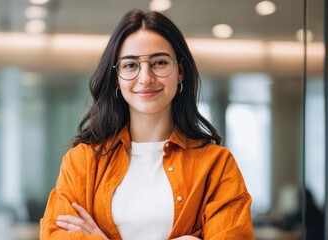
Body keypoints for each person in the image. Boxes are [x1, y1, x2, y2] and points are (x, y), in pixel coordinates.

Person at [40, 9, 254, 240]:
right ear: (116, 78)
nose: (145, 78)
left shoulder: (217, 165)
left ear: (180, 72)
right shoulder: (82, 163)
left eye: (159, 62)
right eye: (131, 65)